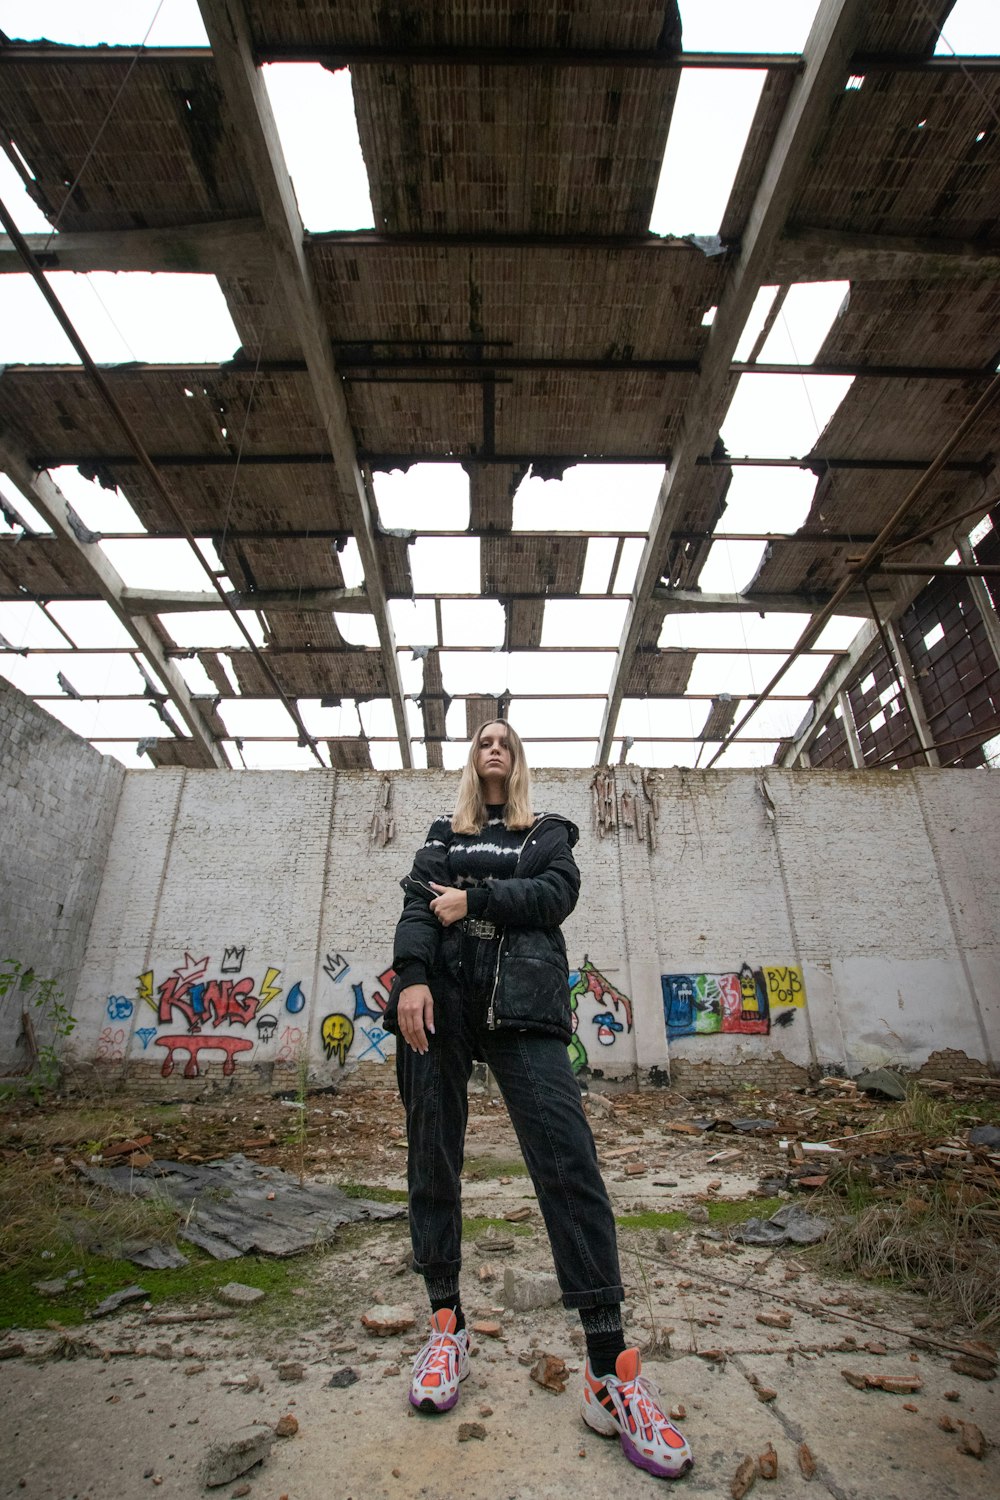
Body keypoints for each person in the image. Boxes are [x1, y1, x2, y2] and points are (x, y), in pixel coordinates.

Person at [383, 720, 693, 1481]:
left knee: (566, 1160)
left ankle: (607, 1368)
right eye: (484, 739)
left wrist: (473, 899)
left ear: (517, 760)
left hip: (523, 999)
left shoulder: (546, 832)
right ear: (472, 759)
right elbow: (417, 906)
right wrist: (413, 975)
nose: (495, 746)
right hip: (444, 995)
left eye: (506, 740)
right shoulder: (440, 834)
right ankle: (447, 1323)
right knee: (433, 1151)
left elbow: (555, 896)